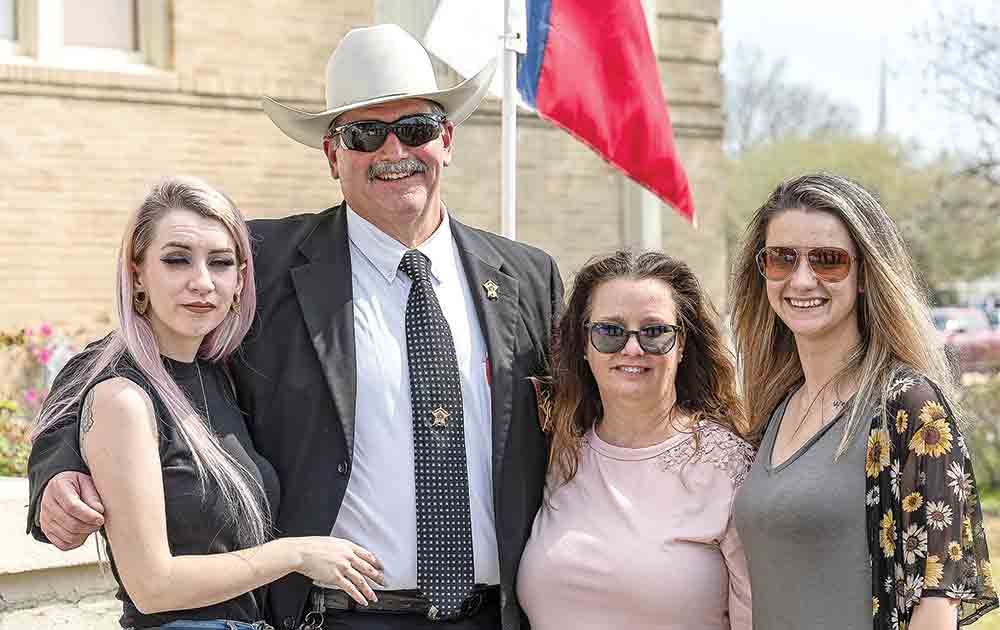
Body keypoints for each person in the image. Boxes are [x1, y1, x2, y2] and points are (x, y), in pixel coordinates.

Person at [28, 24, 563, 630]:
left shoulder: (527, 277)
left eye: (414, 129)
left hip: (495, 616)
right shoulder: (266, 261)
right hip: (335, 615)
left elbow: (591, 411)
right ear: (333, 155)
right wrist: (60, 463)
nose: (394, 153)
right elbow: (127, 349)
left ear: (446, 140)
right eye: (365, 133)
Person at [31, 176, 391, 630]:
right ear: (137, 274)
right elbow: (153, 586)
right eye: (177, 260)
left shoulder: (220, 376)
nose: (201, 282)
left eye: (220, 263)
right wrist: (295, 553)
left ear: (241, 280)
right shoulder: (122, 397)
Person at [730, 173, 998, 629]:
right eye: (781, 259)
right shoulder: (774, 408)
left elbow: (935, 608)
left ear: (863, 275)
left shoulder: (908, 407)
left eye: (828, 261)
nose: (801, 279)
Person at [517, 251, 753, 630]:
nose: (632, 349)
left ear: (681, 345)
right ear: (583, 344)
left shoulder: (730, 467)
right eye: (610, 331)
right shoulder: (558, 454)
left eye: (654, 332)